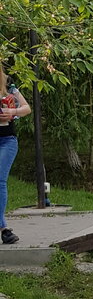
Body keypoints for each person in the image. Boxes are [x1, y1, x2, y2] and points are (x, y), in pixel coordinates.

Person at [0, 66, 31, 246]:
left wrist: (12, 112)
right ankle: (4, 230)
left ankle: (4, 230)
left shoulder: (9, 84)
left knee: (0, 180)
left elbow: (26, 108)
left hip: (7, 141)